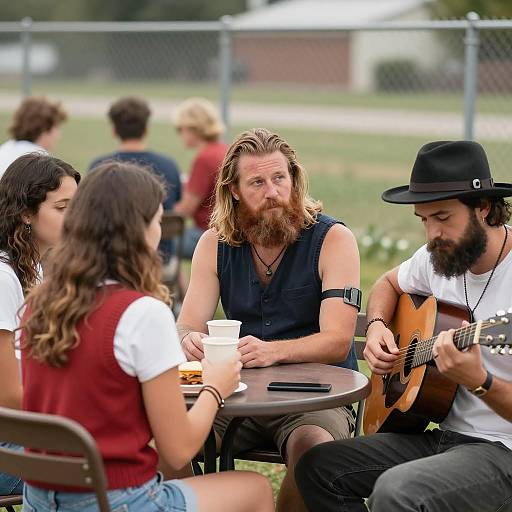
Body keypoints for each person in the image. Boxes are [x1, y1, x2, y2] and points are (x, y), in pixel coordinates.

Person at [20, 162, 274, 512]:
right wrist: (216, 387)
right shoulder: (142, 314)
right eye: (156, 220)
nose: (160, 231)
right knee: (255, 487)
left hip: (40, 499)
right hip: (116, 500)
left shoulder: (39, 302)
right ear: (138, 231)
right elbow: (179, 448)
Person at [295, 140, 512, 512]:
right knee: (319, 466)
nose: (431, 235)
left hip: (502, 451)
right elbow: (388, 284)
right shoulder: (438, 256)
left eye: (442, 218)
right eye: (424, 220)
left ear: (484, 208)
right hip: (443, 437)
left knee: (397, 491)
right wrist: (378, 324)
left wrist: (479, 379)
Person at [177, 128, 361, 512]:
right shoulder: (214, 243)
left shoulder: (332, 239)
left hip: (314, 398)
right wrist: (187, 341)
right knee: (163, 441)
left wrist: (271, 351)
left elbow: (337, 340)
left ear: (294, 180)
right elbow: (187, 323)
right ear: (235, 190)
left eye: (280, 178)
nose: (272, 191)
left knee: (314, 450)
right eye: (257, 182)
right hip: (234, 394)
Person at [0, 153, 80, 495]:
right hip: (8, 449)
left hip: (20, 435)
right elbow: (8, 397)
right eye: (63, 208)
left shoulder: (33, 267)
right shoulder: (4, 277)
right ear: (25, 213)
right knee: (130, 452)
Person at [89, 96, 182, 263]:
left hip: (110, 260)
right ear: (146, 129)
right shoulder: (169, 165)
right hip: (160, 259)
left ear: (114, 131)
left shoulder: (98, 167)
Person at [173, 97, 228, 258]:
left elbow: (185, 210)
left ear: (193, 128)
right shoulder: (224, 150)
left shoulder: (204, 159)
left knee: (155, 241)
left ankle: (173, 283)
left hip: (210, 234)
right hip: (228, 231)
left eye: (180, 128)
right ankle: (181, 284)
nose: (180, 134)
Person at [0, 97, 67, 178]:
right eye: (56, 127)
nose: (58, 135)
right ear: (45, 129)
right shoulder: (43, 164)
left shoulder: (4, 150)